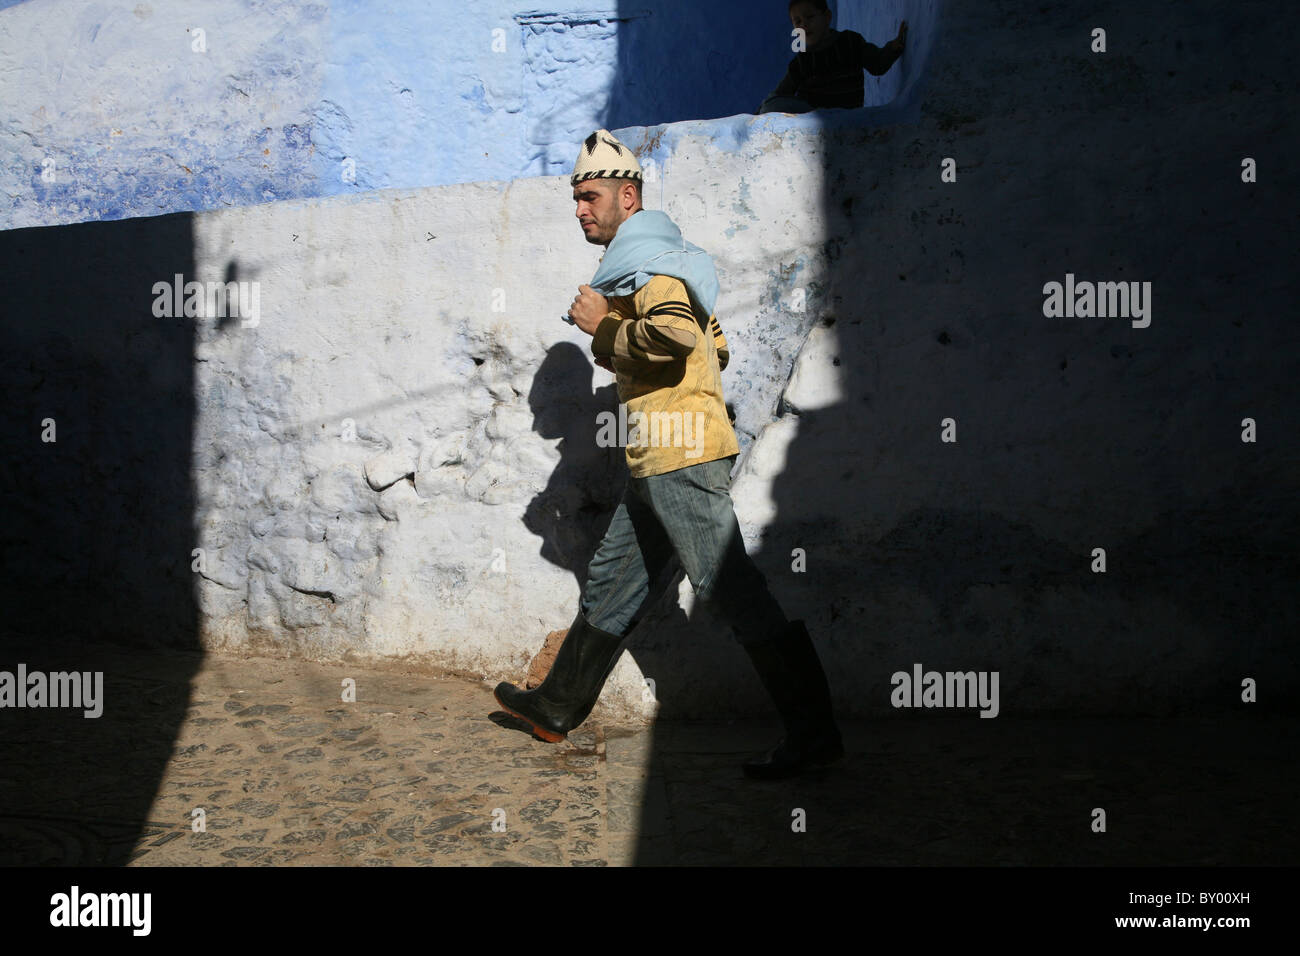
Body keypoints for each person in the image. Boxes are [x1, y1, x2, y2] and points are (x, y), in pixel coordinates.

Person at [492, 129, 843, 779]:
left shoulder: (649, 262)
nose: (580, 209)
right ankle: (557, 707)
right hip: (658, 460)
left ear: (628, 196)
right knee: (613, 585)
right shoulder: (659, 261)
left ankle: (814, 734)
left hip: (680, 458)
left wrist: (608, 327)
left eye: (590, 196)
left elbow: (678, 337)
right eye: (575, 199)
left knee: (732, 589)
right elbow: (716, 347)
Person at [759, 0, 908, 114]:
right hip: (812, 121)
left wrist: (892, 48)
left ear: (827, 17)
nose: (804, 24)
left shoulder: (850, 42)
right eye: (797, 21)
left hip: (846, 118)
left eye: (809, 17)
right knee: (771, 104)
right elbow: (782, 93)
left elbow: (877, 65)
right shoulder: (801, 62)